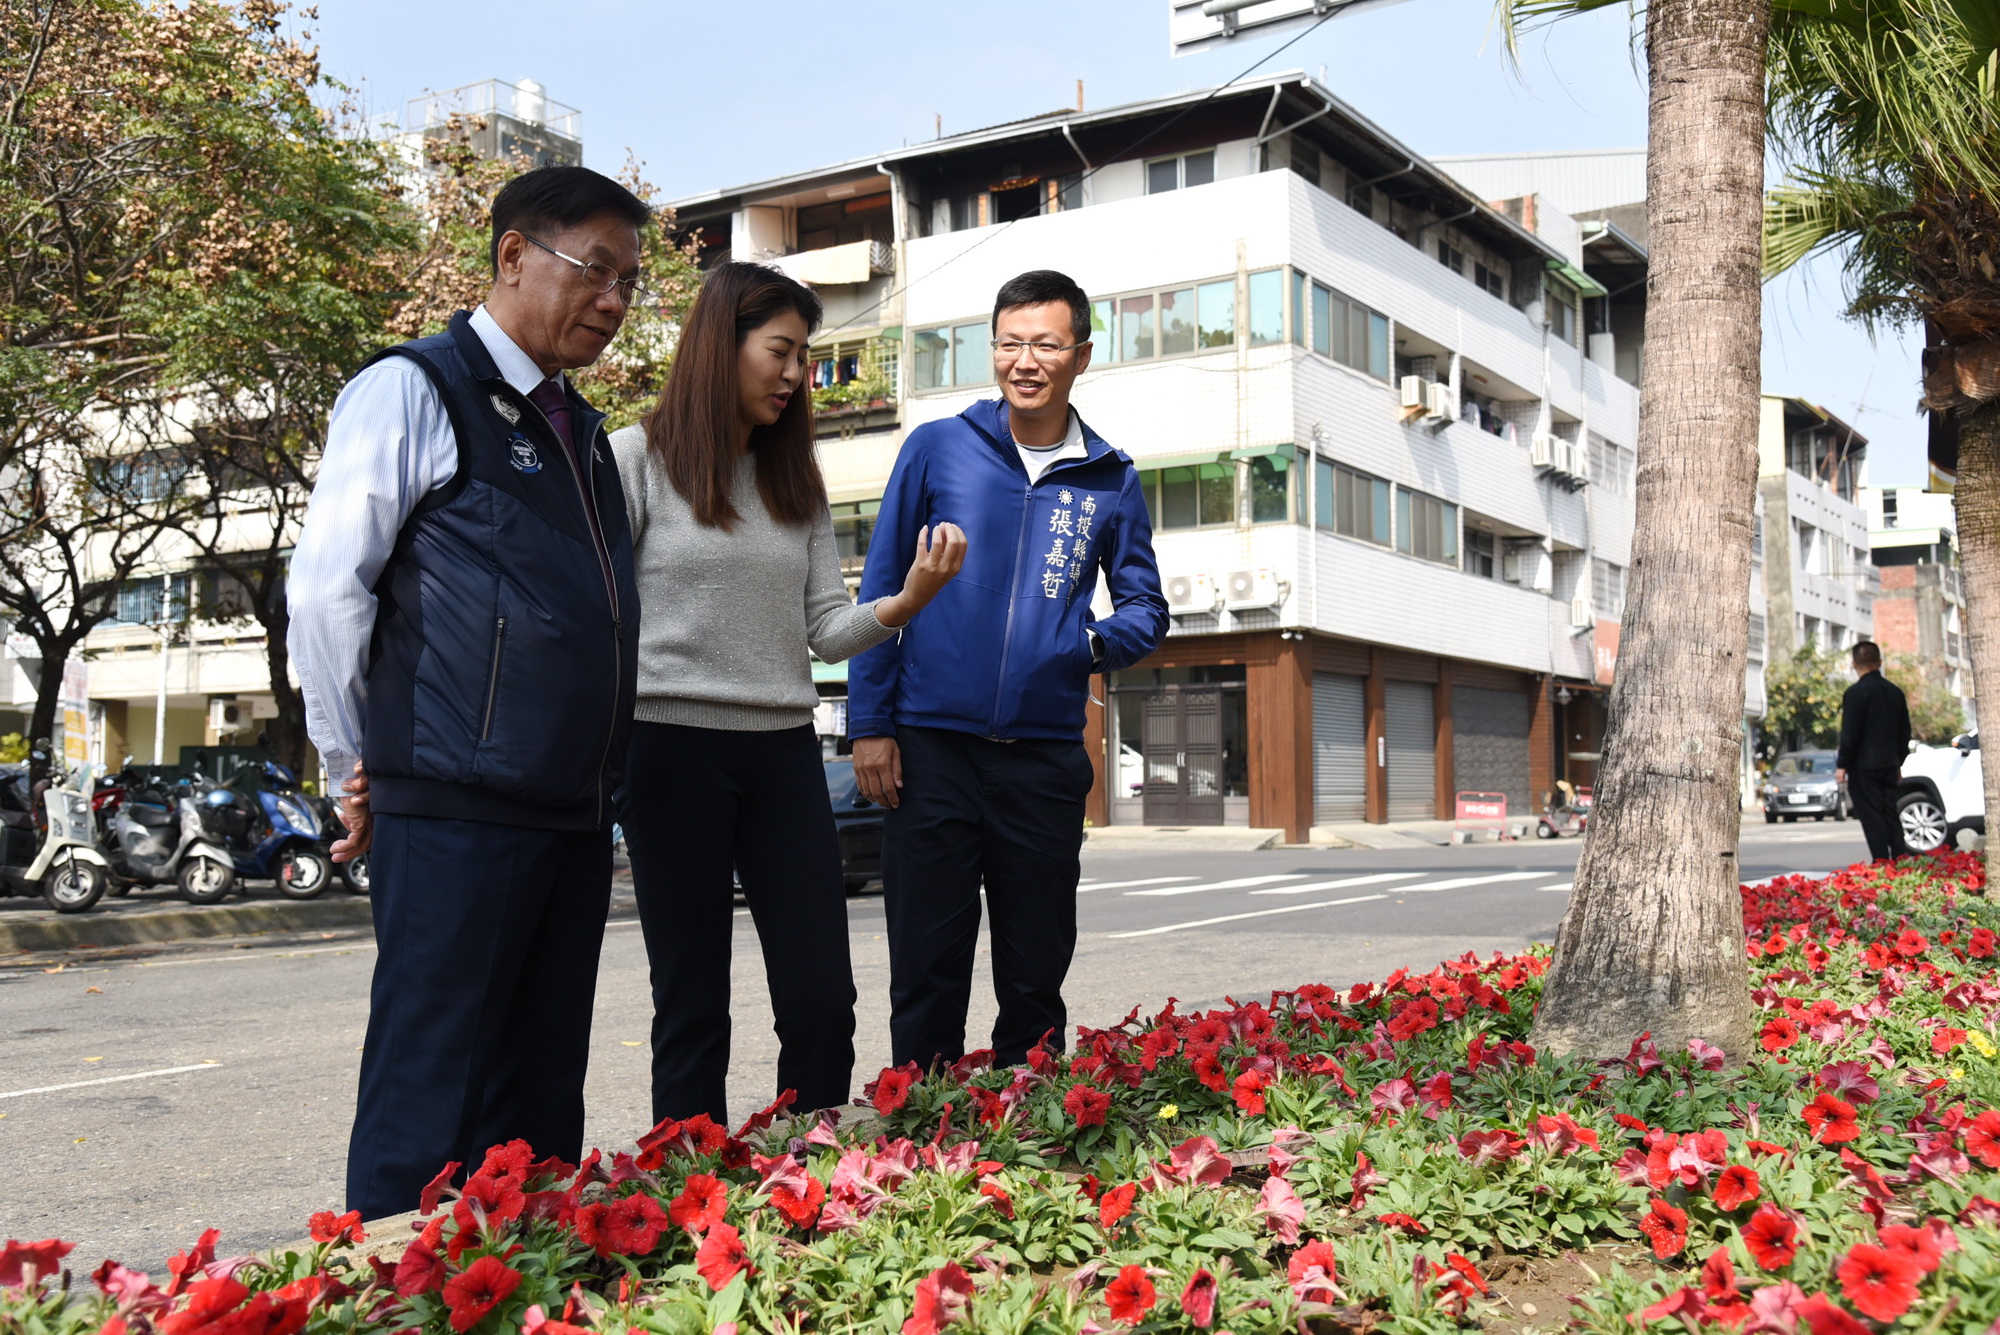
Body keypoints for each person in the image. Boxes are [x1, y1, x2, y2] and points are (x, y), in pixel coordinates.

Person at [289, 166, 649, 1219]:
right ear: (512, 256)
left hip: (571, 819)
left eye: (630, 282)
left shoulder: (580, 432)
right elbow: (324, 593)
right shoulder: (415, 388)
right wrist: (347, 764)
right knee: (428, 1111)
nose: (616, 302)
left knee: (536, 1118)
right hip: (453, 812)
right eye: (598, 271)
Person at [611, 263, 966, 1124]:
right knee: (691, 1002)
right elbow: (596, 615)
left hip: (780, 752)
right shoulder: (633, 458)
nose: (794, 374)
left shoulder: (791, 475)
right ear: (718, 344)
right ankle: (688, 1192)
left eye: (803, 356)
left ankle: (808, 1180)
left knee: (821, 998)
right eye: (780, 350)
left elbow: (826, 631)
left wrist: (906, 602)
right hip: (666, 747)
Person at [849, 269, 1169, 1071]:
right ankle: (921, 1138)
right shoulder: (937, 448)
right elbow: (882, 590)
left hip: (1043, 757)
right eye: (1010, 343)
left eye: (1046, 344)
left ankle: (1029, 1138)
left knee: (1033, 973)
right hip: (930, 749)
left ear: (1082, 355)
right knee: (926, 969)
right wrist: (870, 725)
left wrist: (1086, 646)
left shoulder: (1109, 478)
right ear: (993, 350)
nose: (1026, 361)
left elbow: (1145, 609)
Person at [1836, 639, 1913, 862]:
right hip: (1889, 763)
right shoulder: (1895, 692)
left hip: (1863, 767)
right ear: (1879, 662)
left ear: (1854, 664)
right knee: (1891, 813)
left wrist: (1842, 765)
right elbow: (1904, 732)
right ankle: (1901, 859)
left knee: (1872, 817)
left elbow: (1850, 733)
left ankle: (1881, 863)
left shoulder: (1855, 693)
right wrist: (1898, 761)